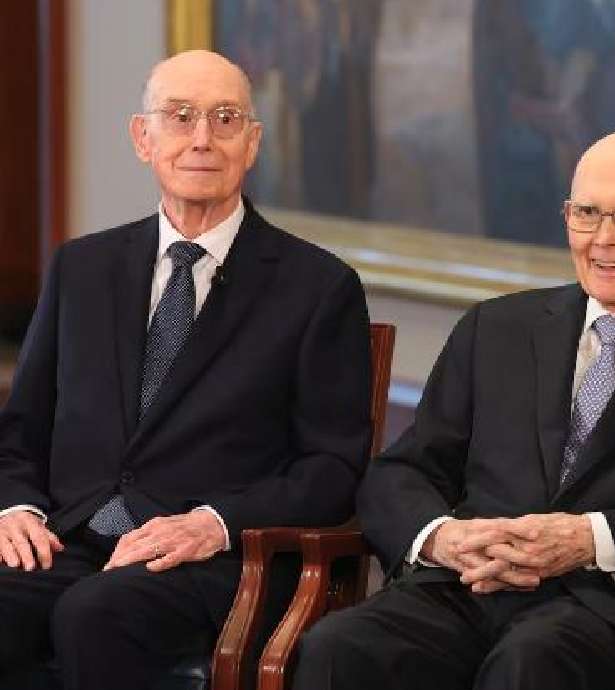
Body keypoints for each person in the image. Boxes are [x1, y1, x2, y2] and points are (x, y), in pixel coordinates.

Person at [294, 129, 615, 690]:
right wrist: (441, 537)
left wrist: (592, 538)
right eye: (586, 213)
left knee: (532, 661)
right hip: (471, 588)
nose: (604, 239)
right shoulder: (496, 328)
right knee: (339, 648)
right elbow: (405, 469)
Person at [0, 50, 371, 690]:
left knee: (94, 614)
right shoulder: (81, 268)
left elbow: (332, 467)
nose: (202, 139)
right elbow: (21, 429)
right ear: (143, 138)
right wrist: (16, 508)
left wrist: (213, 523)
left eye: (225, 119)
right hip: (72, 536)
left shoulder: (318, 288)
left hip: (214, 556)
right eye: (179, 116)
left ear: (252, 143)